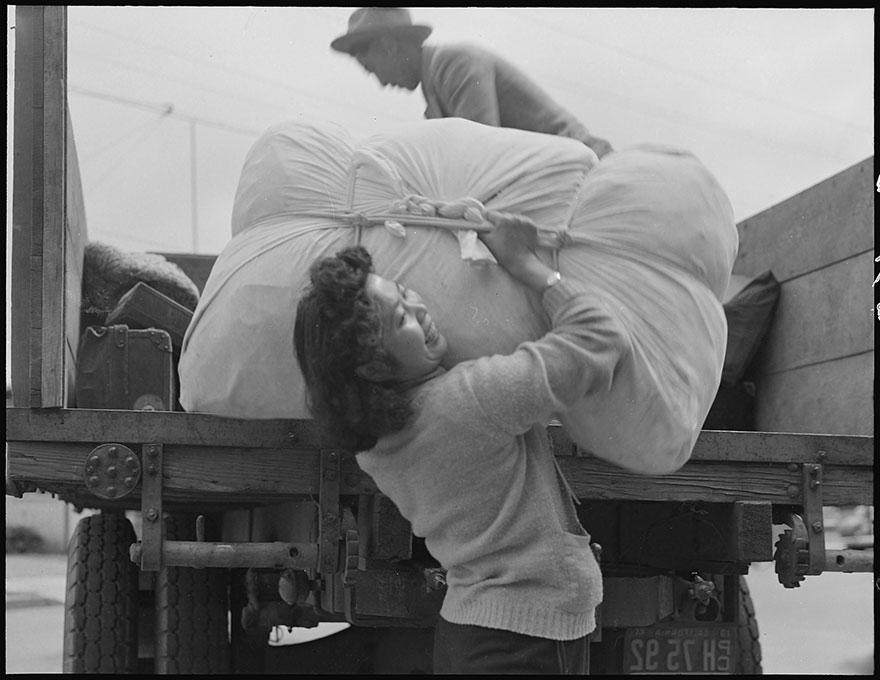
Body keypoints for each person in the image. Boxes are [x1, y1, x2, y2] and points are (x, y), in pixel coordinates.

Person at [293, 210, 630, 674]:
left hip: (483, 633)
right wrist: (525, 264)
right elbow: (602, 341)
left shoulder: (377, 445)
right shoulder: (471, 399)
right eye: (402, 319)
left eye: (406, 293)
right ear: (371, 365)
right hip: (522, 640)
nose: (421, 309)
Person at [330, 7, 614, 159]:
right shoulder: (436, 85)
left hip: (588, 168)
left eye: (372, 68)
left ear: (388, 46)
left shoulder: (456, 63)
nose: (381, 83)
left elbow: (481, 157)